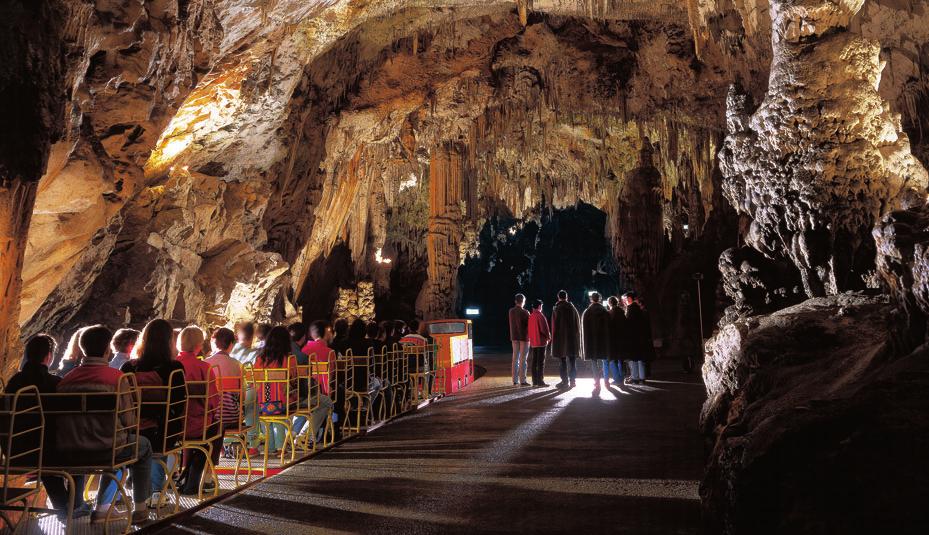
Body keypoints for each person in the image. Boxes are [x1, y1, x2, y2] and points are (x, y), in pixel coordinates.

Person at [58, 325, 153, 525]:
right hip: (108, 449)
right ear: (107, 350)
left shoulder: (65, 381)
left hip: (71, 450)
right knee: (142, 446)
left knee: (119, 444)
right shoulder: (117, 379)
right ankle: (140, 508)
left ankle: (97, 506)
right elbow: (129, 422)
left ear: (83, 349)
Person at [4, 334, 91, 520]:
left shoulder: (12, 384)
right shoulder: (55, 384)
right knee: (75, 451)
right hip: (49, 452)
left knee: (44, 456)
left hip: (16, 452)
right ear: (49, 357)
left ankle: (64, 507)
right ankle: (74, 505)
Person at [121, 319, 186, 499]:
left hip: (132, 430)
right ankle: (156, 490)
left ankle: (137, 481)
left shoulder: (128, 367)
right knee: (166, 423)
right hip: (162, 432)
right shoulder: (174, 369)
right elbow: (179, 403)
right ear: (169, 341)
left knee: (147, 433)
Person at [175, 326, 220, 495]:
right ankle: (200, 477)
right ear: (199, 345)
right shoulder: (204, 367)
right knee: (216, 429)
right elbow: (213, 401)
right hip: (197, 424)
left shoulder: (172, 365)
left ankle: (185, 472)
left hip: (170, 427)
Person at [252, 326, 298, 455]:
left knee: (268, 416)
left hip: (263, 404)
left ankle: (270, 447)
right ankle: (280, 448)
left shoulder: (259, 359)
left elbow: (255, 381)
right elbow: (293, 381)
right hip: (282, 403)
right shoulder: (289, 359)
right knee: (279, 413)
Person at [581, 292, 611, 395]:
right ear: (599, 299)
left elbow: (584, 329)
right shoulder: (604, 311)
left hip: (592, 342)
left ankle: (597, 381)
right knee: (605, 361)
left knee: (594, 362)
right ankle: (606, 380)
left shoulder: (588, 312)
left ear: (591, 299)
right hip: (603, 341)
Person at [550, 290, 581, 388]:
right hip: (572, 339)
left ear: (558, 297)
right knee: (572, 361)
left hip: (560, 339)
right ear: (566, 297)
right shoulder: (572, 308)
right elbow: (577, 324)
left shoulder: (557, 309)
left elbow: (554, 326)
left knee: (562, 361)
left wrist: (554, 338)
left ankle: (564, 381)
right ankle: (573, 381)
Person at [623, 292, 655, 384]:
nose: (625, 301)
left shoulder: (630, 308)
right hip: (641, 338)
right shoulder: (639, 309)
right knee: (640, 358)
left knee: (633, 359)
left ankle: (635, 377)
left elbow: (628, 324)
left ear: (629, 299)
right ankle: (642, 377)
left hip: (633, 338)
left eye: (626, 299)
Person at [527, 299, 551, 387]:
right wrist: (548, 337)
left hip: (533, 342)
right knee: (540, 362)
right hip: (541, 342)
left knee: (534, 361)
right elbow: (544, 329)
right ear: (539, 306)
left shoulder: (531, 316)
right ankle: (540, 381)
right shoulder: (540, 316)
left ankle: (535, 381)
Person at [508, 294, 531, 386]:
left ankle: (514, 380)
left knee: (515, 358)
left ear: (515, 301)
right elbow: (529, 325)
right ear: (523, 301)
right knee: (523, 359)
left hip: (514, 337)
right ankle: (523, 380)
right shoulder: (525, 312)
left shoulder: (511, 311)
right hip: (524, 338)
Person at [605, 296, 626, 386]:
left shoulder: (610, 313)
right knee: (621, 360)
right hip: (622, 339)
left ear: (610, 303)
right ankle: (622, 378)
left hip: (613, 340)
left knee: (612, 360)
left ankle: (617, 379)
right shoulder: (622, 312)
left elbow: (608, 327)